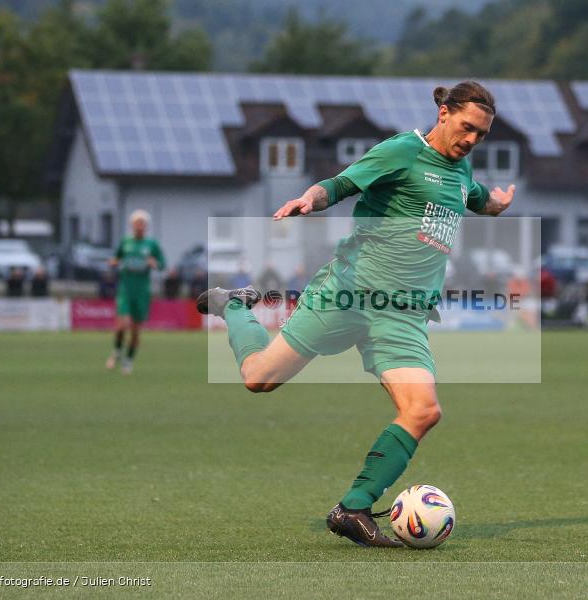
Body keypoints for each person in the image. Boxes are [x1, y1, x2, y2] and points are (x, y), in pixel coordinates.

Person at [197, 81, 514, 547]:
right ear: (443, 113)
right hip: (349, 293)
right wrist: (311, 198)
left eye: (481, 135)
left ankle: (353, 508)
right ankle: (235, 306)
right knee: (259, 378)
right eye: (467, 127)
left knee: (423, 411)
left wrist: (497, 206)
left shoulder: (461, 169)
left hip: (402, 315)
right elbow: (341, 184)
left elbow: (475, 196)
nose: (471, 140)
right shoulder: (403, 150)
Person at [106, 210, 166, 375]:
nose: (139, 226)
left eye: (142, 223)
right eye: (136, 223)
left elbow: (163, 264)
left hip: (142, 292)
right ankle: (117, 352)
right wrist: (113, 262)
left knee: (135, 330)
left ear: (146, 226)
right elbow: (117, 258)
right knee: (122, 324)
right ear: (132, 225)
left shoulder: (151, 244)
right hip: (125, 289)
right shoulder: (125, 242)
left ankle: (128, 360)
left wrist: (155, 264)